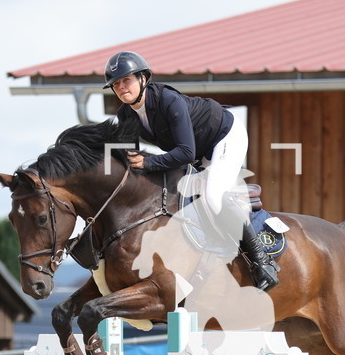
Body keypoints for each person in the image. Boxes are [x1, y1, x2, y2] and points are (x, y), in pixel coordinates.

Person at [104, 50, 279, 291]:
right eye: (116, 84)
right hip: (199, 151)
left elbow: (185, 153)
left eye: (126, 80)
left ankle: (262, 261)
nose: (121, 87)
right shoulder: (125, 114)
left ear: (143, 78)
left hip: (224, 135)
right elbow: (132, 161)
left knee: (214, 196)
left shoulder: (167, 100)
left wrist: (147, 163)